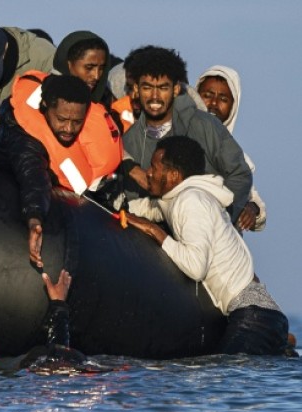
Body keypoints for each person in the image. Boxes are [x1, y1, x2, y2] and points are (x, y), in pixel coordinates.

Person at [125, 137, 289, 356]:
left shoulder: (191, 201)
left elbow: (196, 267)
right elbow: (147, 209)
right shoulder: (177, 199)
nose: (148, 173)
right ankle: (284, 347)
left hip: (255, 317)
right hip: (256, 317)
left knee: (228, 376)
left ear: (174, 175)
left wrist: (156, 232)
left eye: (154, 167)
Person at [0, 74, 122, 268]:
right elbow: (33, 179)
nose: (69, 128)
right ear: (44, 107)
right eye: (61, 119)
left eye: (77, 122)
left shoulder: (66, 119)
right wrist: (34, 219)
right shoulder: (26, 141)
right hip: (3, 165)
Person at [119, 47, 252, 225]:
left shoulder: (204, 125)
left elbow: (240, 175)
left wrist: (220, 220)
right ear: (136, 89)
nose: (155, 97)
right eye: (147, 88)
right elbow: (133, 203)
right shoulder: (129, 143)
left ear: (175, 89)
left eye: (163, 88)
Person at [196, 66, 267, 232]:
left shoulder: (235, 157)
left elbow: (256, 204)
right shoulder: (177, 135)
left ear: (234, 106)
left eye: (223, 99)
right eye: (207, 95)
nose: (213, 103)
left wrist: (251, 209)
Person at [52, 31, 112, 109]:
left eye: (101, 68)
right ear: (69, 64)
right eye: (89, 68)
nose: (96, 76)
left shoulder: (102, 113)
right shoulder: (37, 99)